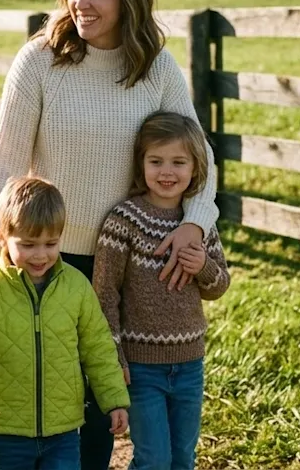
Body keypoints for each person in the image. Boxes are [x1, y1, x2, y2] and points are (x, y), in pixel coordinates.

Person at [0, 0, 220, 468]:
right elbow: (5, 160)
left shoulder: (155, 67)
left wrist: (194, 224)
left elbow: (202, 158)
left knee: (103, 403)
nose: (81, 3)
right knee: (49, 401)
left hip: (124, 264)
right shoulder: (40, 61)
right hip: (48, 256)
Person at [0, 175, 129, 470]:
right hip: (6, 430)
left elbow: (98, 349)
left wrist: (114, 401)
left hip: (64, 429)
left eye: (51, 243)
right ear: (2, 236)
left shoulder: (76, 286)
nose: (41, 254)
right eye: (29, 244)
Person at [93, 112, 231, 470]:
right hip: (141, 368)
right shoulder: (125, 220)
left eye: (178, 162)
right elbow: (105, 293)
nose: (166, 172)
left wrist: (202, 265)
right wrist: (115, 354)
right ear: (141, 164)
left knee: (183, 458)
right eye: (156, 161)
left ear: (195, 167)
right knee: (154, 459)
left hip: (189, 364)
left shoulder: (198, 224)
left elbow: (219, 287)